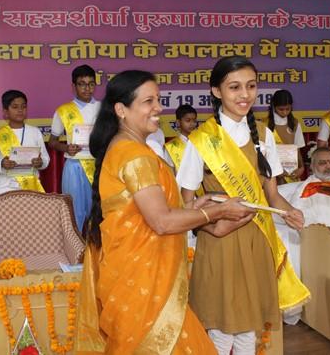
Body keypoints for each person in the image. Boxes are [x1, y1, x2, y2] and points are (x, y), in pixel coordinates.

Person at [78, 70, 254, 354]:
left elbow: (145, 213)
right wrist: (217, 213)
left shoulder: (125, 148)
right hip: (145, 284)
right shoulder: (135, 156)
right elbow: (161, 222)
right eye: (149, 101)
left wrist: (191, 208)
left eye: (158, 99)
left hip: (140, 276)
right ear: (121, 109)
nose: (159, 108)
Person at [176, 56, 310, 355]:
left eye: (250, 86)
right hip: (218, 239)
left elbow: (272, 196)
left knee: (248, 328)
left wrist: (290, 211)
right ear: (216, 91)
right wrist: (213, 226)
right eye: (234, 87)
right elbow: (185, 204)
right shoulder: (201, 140)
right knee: (221, 330)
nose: (244, 95)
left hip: (255, 239)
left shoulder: (264, 136)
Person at [48, 65, 100, 233]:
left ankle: (98, 255)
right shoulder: (63, 111)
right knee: (74, 214)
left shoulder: (104, 108)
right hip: (75, 165)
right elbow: (52, 142)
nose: (87, 88)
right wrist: (65, 148)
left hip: (99, 165)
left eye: (91, 84)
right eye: (82, 84)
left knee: (99, 213)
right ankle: (75, 256)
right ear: (73, 86)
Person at [0, 90, 50, 195]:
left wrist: (40, 162)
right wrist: (2, 163)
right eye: (15, 107)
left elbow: (46, 160)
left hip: (31, 187)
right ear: (5, 112)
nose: (20, 110)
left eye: (23, 107)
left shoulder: (35, 132)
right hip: (5, 188)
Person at [266, 89, 305, 182]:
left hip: (292, 173)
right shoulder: (264, 124)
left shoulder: (295, 124)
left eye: (288, 109)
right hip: (272, 174)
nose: (284, 112)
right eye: (281, 109)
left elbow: (298, 148)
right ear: (273, 107)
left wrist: (301, 167)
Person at [164, 104, 198, 172]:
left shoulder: (199, 143)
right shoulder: (170, 147)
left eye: (194, 120)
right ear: (178, 122)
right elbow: (169, 172)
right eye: (188, 120)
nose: (192, 124)